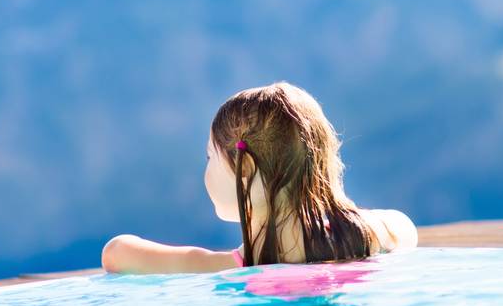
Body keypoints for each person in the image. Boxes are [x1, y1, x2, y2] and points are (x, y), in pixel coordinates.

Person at [101, 81, 418, 274]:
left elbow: (116, 253)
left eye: (210, 157)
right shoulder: (365, 237)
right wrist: (351, 220)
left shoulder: (239, 266)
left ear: (246, 170)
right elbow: (405, 228)